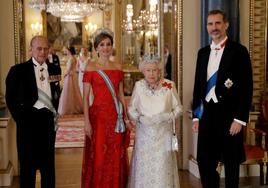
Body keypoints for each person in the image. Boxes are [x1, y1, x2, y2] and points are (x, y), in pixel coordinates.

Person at [192, 10, 253, 188]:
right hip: (207, 116)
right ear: (207, 27)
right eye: (210, 24)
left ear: (226, 25)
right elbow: (198, 86)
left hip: (230, 117)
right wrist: (196, 116)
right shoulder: (202, 53)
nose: (214, 28)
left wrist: (240, 119)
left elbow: (246, 87)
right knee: (204, 161)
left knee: (231, 164)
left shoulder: (239, 51)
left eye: (218, 23)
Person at [5, 35, 61, 188]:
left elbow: (56, 93)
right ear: (31, 50)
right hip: (27, 123)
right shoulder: (17, 71)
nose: (42, 52)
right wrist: (20, 119)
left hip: (48, 123)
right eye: (39, 48)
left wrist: (54, 113)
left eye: (45, 48)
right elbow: (10, 98)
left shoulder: (55, 69)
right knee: (27, 166)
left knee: (48, 167)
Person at [81, 28, 130, 187]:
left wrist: (126, 116)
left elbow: (121, 94)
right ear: (96, 48)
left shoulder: (118, 67)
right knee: (100, 155)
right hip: (99, 118)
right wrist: (86, 122)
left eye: (108, 44)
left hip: (116, 117)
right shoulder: (91, 67)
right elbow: (85, 97)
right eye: (102, 45)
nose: (105, 48)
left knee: (116, 154)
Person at [127, 55, 182, 188]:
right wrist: (140, 118)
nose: (151, 73)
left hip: (163, 135)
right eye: (148, 70)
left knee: (162, 167)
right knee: (144, 167)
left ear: (159, 71)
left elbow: (179, 108)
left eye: (154, 70)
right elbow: (131, 108)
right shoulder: (138, 86)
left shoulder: (169, 85)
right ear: (143, 71)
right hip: (144, 137)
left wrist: (166, 116)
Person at [57, 46, 83, 115]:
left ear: (69, 50)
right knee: (74, 91)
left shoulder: (71, 58)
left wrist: (64, 75)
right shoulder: (74, 58)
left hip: (69, 77)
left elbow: (68, 69)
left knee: (68, 92)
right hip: (73, 75)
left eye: (67, 50)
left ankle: (68, 108)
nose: (66, 51)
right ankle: (76, 106)